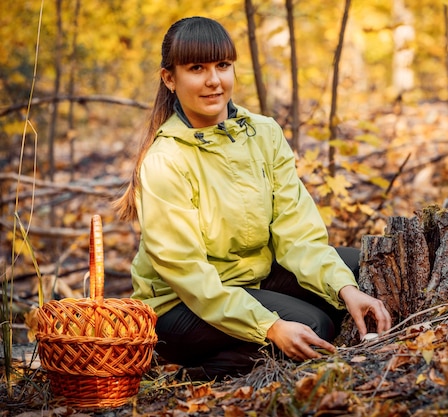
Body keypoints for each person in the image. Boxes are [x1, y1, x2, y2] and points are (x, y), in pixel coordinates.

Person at [114, 16, 391, 380]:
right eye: (197, 68)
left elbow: (298, 234)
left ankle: (267, 335)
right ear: (170, 78)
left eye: (222, 66)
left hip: (252, 278)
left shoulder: (264, 133)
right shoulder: (165, 161)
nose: (214, 80)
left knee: (361, 268)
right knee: (313, 325)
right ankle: (196, 373)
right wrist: (269, 327)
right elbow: (192, 278)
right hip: (180, 307)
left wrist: (344, 289)